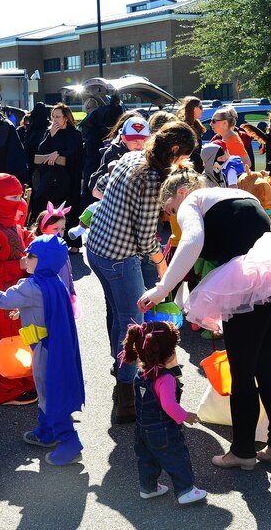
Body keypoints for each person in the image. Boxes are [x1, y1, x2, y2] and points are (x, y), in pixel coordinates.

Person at [136, 165, 271, 470]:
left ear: (180, 193)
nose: (172, 217)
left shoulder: (193, 201)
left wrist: (162, 288)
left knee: (243, 371)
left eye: (170, 210)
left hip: (251, 285)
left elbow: (192, 242)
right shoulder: (236, 194)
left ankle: (243, 451)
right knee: (264, 360)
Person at [86, 121, 196, 424]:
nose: (180, 162)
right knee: (132, 323)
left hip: (97, 247)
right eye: (181, 156)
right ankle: (125, 397)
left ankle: (119, 368)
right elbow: (147, 238)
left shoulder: (131, 157)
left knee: (118, 314)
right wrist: (164, 269)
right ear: (174, 149)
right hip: (119, 257)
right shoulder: (151, 178)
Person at [0, 234, 85, 465]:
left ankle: (70, 442)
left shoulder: (31, 286)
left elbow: (1, 300)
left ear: (42, 260)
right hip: (52, 345)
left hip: (44, 349)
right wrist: (23, 311)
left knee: (50, 392)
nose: (26, 258)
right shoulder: (54, 281)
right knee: (46, 390)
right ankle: (47, 433)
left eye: (30, 255)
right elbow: (44, 309)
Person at [121, 321, 206, 504]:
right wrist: (185, 416)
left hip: (142, 429)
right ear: (170, 353)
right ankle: (186, 491)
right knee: (177, 458)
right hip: (163, 431)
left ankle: (148, 488)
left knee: (147, 460)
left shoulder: (140, 373)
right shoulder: (165, 378)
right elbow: (169, 405)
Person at [0, 173, 37, 405]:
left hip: (12, 293)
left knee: (3, 337)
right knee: (8, 340)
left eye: (19, 196)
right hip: (3, 294)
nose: (18, 201)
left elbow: (20, 234)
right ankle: (12, 387)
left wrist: (34, 239)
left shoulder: (7, 220)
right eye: (12, 197)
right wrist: (19, 265)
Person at [33, 103, 84, 252]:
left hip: (69, 177)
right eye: (53, 116)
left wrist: (58, 153)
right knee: (50, 206)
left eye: (58, 117)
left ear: (66, 118)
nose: (55, 120)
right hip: (51, 177)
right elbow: (41, 149)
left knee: (69, 208)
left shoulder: (74, 134)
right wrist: (51, 137)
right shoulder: (50, 132)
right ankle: (51, 239)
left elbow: (74, 152)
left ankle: (74, 244)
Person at [31, 202, 76, 308]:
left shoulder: (61, 247)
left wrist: (71, 289)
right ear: (43, 229)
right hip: (48, 296)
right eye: (55, 229)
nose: (59, 233)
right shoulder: (39, 250)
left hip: (63, 292)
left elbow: (68, 271)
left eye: (62, 229)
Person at [176, 96, 205, 172]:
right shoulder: (184, 127)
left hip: (198, 166)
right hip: (189, 166)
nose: (203, 110)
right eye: (201, 107)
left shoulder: (196, 125)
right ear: (194, 108)